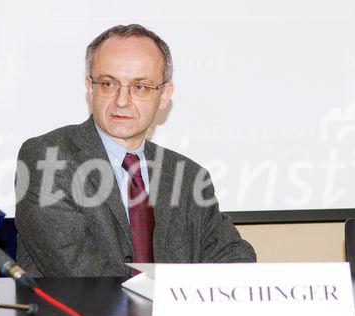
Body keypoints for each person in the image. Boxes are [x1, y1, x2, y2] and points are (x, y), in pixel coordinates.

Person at [15, 24, 256, 278]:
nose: (121, 100)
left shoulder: (188, 176)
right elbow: (78, 270)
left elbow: (235, 256)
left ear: (163, 96)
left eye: (140, 87)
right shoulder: (47, 158)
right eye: (108, 84)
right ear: (90, 88)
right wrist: (174, 291)